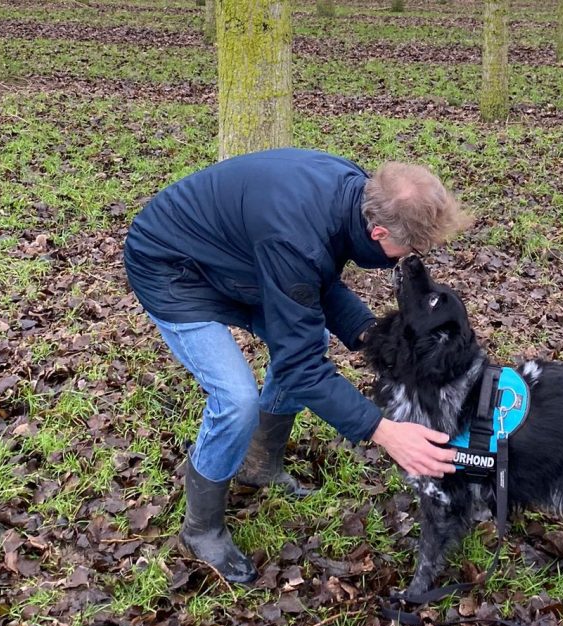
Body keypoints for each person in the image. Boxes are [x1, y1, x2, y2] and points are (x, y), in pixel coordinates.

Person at [123, 148, 472, 583]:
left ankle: (259, 465)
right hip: (171, 268)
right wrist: (383, 431)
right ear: (379, 229)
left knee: (312, 337)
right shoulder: (295, 236)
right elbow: (300, 362)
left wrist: (370, 335)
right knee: (235, 399)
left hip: (240, 261)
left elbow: (312, 278)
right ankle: (202, 529)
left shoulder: (353, 193)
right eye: (412, 248)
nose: (411, 258)